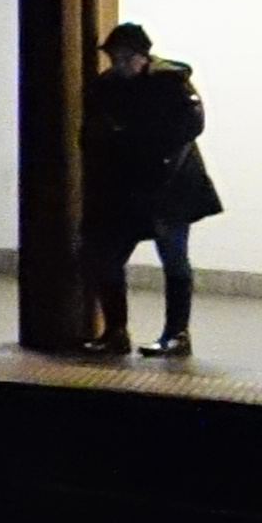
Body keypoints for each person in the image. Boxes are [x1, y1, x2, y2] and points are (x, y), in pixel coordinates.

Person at [81, 19, 217, 360]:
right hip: (127, 187)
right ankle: (115, 332)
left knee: (173, 258)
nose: (119, 64)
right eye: (114, 57)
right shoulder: (107, 86)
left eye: (125, 57)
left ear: (143, 56)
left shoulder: (170, 81)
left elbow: (190, 126)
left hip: (169, 186)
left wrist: (142, 143)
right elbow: (92, 132)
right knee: (106, 257)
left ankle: (176, 334)